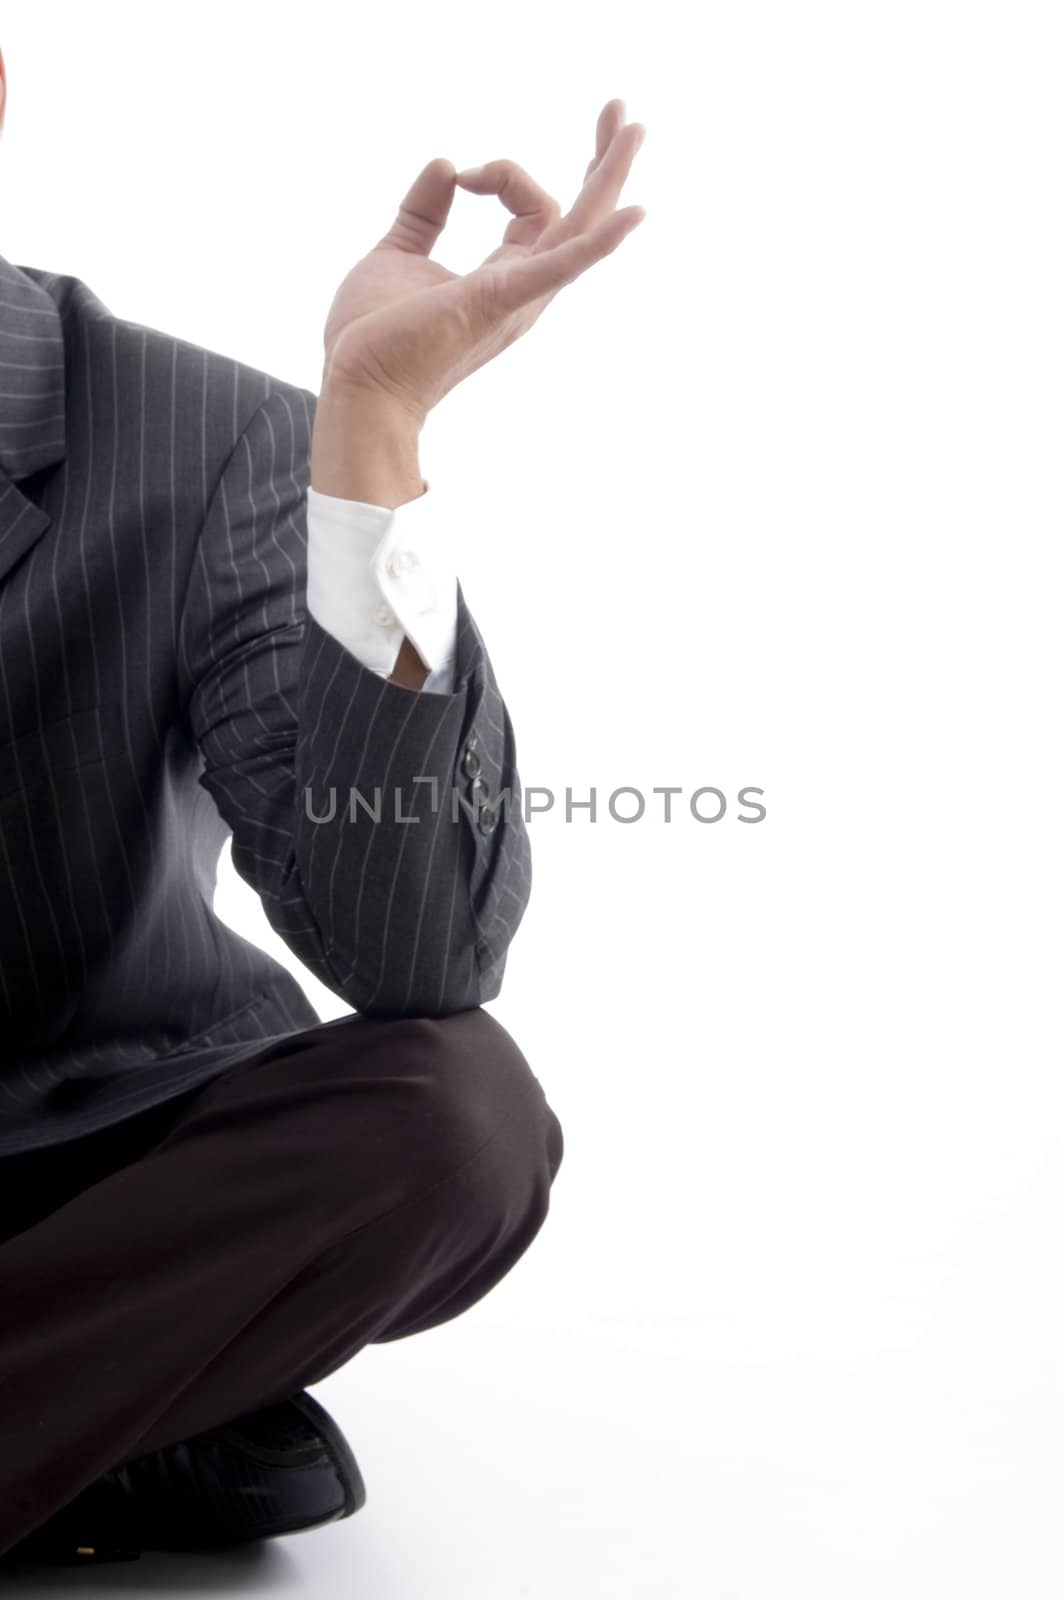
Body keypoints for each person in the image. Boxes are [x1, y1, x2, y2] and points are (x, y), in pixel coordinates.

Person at [0, 42, 646, 1569]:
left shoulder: (204, 437)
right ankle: (107, 1443)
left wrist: (367, 441)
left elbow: (416, 952)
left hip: (85, 1156)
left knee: (452, 1119)